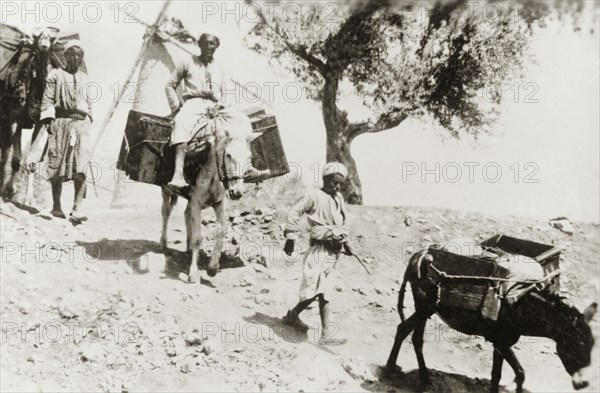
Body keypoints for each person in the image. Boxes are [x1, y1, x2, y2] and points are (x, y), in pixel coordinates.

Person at [165, 32, 254, 188]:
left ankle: (249, 167)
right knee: (180, 123)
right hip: (194, 103)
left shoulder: (221, 66)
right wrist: (177, 107)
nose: (208, 47)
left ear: (216, 47)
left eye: (212, 44)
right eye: (205, 43)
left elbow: (227, 92)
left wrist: (220, 106)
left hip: (216, 104)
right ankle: (178, 174)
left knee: (243, 120)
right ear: (199, 45)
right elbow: (170, 85)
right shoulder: (187, 62)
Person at [282, 162, 353, 345]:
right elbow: (294, 212)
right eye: (334, 183)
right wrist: (290, 237)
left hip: (333, 252)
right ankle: (296, 317)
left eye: (340, 184)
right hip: (318, 251)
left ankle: (321, 330)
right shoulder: (314, 195)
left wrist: (346, 242)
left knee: (324, 291)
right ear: (325, 179)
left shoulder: (339, 199)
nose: (337, 187)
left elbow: (342, 224)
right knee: (314, 290)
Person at [38, 40, 92, 223]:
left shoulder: (85, 77)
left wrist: (88, 120)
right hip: (60, 122)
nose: (75, 58)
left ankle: (77, 209)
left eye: (79, 55)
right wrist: (49, 120)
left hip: (81, 124)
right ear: (65, 55)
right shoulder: (55, 74)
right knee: (56, 163)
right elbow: (47, 99)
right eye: (72, 54)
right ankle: (56, 207)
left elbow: (89, 104)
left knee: (81, 166)